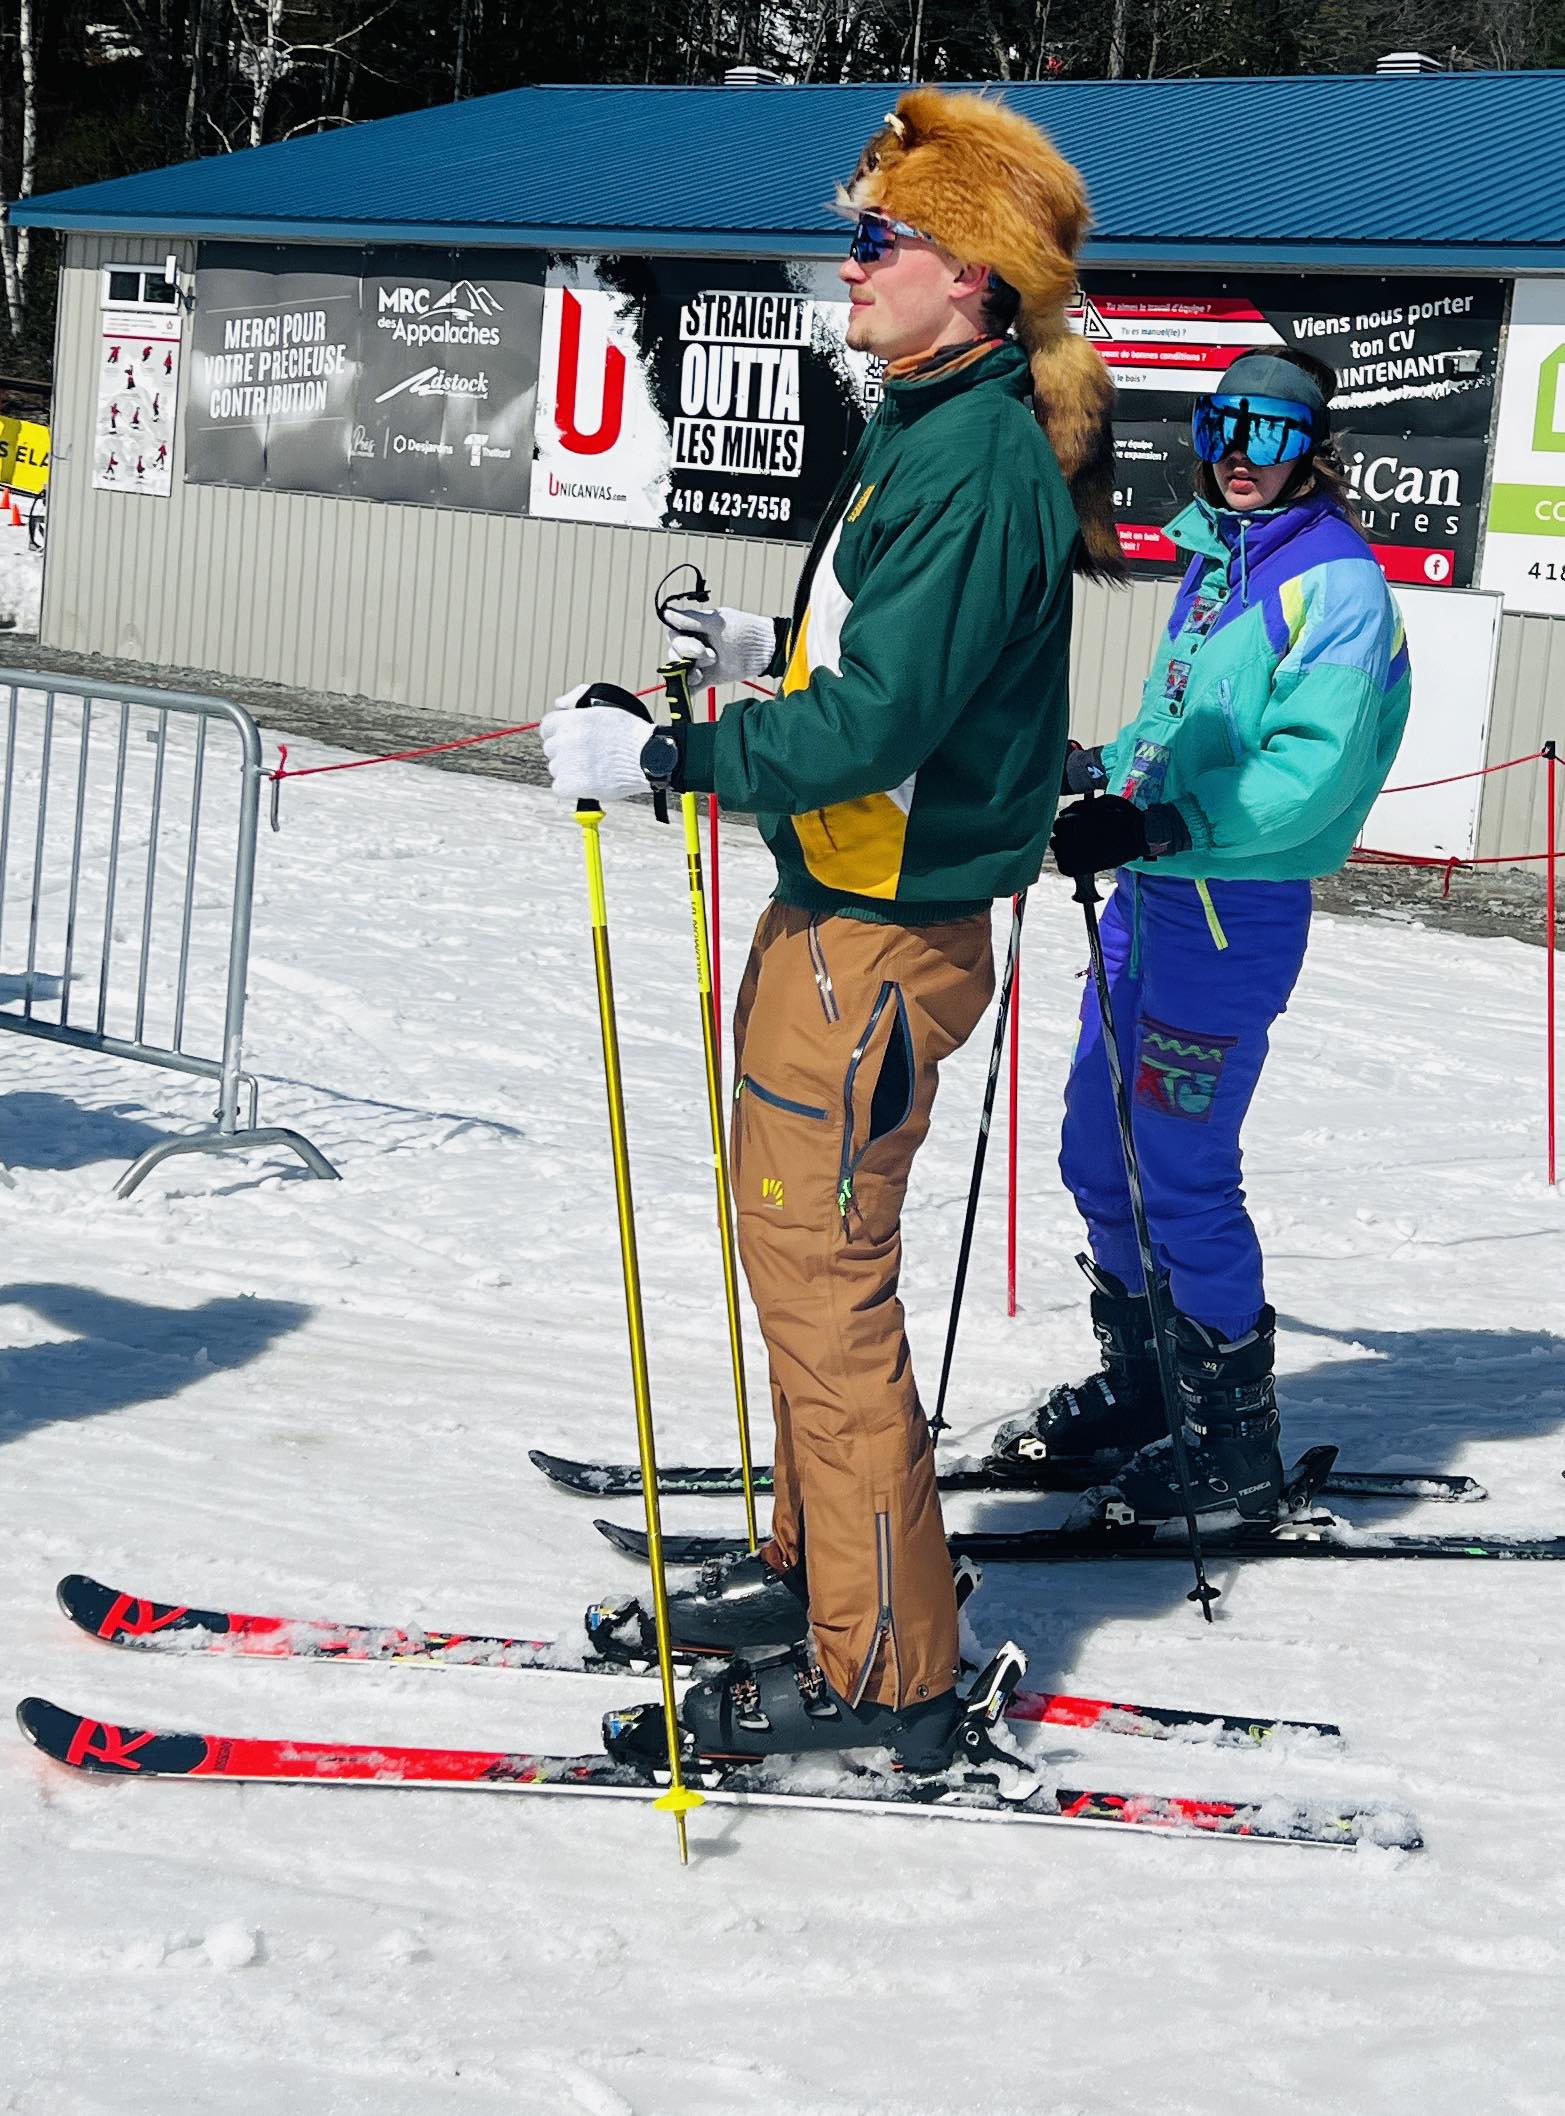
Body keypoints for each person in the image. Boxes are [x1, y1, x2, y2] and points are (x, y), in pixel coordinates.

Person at [540, 86, 1120, 1769]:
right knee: (801, 1273)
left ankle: (890, 1672)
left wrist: (670, 759)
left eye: (881, 238)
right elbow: (887, 665)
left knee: (827, 1291)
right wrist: (760, 653)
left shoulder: (976, 459)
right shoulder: (924, 427)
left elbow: (883, 727)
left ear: (974, 275)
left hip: (881, 935)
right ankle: (822, 1575)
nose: (851, 263)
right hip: (835, 915)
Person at [990, 346, 1412, 1527]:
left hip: (1232, 910)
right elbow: (1176, 718)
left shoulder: (1334, 586)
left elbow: (1308, 772)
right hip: (1154, 891)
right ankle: (1148, 1386)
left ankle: (1229, 1442)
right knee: (1095, 1144)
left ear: (1311, 450)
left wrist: (1161, 821)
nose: (1237, 455)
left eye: (1266, 434)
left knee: (1177, 1165)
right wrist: (1103, 773)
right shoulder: (1221, 560)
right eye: (1220, 427)